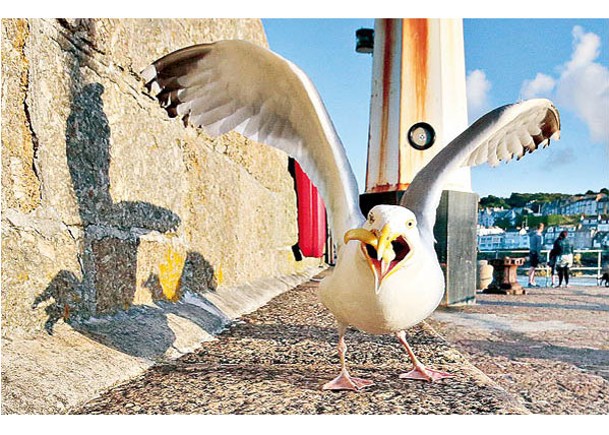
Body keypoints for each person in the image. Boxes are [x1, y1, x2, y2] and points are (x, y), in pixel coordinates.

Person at [528, 223, 544, 288]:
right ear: (542, 228)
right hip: (535, 252)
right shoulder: (538, 236)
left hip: (531, 251)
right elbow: (538, 246)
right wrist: (539, 254)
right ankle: (530, 281)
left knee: (533, 267)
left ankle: (532, 281)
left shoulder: (532, 235)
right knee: (533, 267)